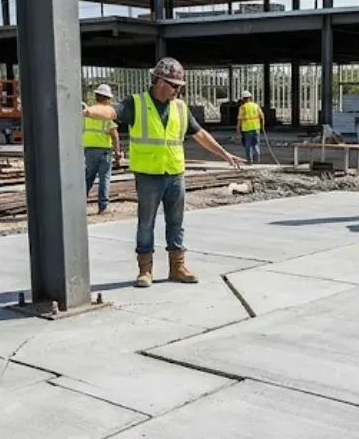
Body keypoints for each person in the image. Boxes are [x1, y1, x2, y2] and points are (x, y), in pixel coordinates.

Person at [82, 57, 243, 288]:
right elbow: (111, 112)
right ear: (158, 81)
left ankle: (177, 267)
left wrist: (224, 154)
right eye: (174, 85)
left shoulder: (179, 107)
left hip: (175, 174)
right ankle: (145, 270)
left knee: (176, 222)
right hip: (148, 175)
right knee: (146, 224)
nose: (177, 91)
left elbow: (200, 134)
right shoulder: (136, 103)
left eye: (179, 87)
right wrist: (89, 112)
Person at [83, 84, 121, 214]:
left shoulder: (88, 112)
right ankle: (103, 207)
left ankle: (80, 204)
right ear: (108, 98)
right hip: (104, 151)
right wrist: (117, 152)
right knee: (104, 178)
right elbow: (114, 135)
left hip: (89, 150)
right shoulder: (106, 113)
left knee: (88, 177)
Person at [237, 90, 266, 165]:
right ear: (250, 98)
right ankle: (257, 160)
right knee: (255, 144)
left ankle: (249, 161)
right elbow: (262, 116)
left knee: (248, 146)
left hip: (247, 129)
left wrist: (238, 128)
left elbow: (240, 119)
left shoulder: (242, 107)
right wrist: (262, 125)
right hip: (256, 128)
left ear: (243, 99)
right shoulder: (256, 106)